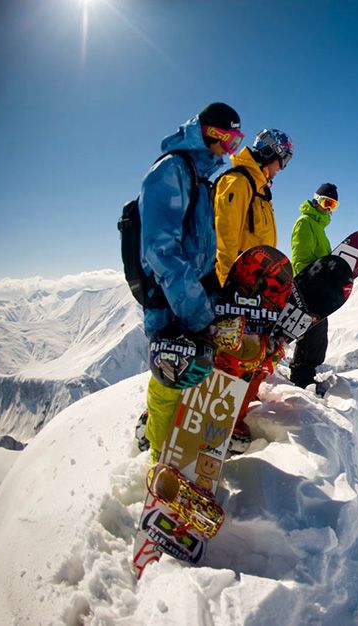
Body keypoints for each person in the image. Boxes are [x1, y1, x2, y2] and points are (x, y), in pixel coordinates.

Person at [138, 102, 243, 462]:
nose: (231, 151)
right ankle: (158, 460)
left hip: (192, 296)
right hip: (170, 301)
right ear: (212, 134)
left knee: (190, 379)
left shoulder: (200, 177)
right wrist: (199, 310)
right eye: (230, 141)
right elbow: (161, 251)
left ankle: (182, 451)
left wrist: (215, 294)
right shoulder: (171, 172)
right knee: (170, 378)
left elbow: (201, 248)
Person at [212, 129, 294, 452]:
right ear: (271, 154)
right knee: (233, 360)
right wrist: (226, 294)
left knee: (265, 355)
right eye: (282, 161)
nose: (281, 169)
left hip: (257, 295)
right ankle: (216, 423)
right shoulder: (238, 183)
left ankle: (235, 417)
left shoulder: (261, 191)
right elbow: (225, 243)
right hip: (235, 292)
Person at [289, 182, 338, 389]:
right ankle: (301, 377)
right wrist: (310, 280)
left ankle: (308, 375)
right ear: (316, 199)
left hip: (318, 287)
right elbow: (300, 259)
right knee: (309, 331)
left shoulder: (318, 226)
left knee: (319, 331)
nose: (328, 209)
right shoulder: (305, 222)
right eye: (327, 202)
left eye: (333, 206)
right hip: (307, 287)